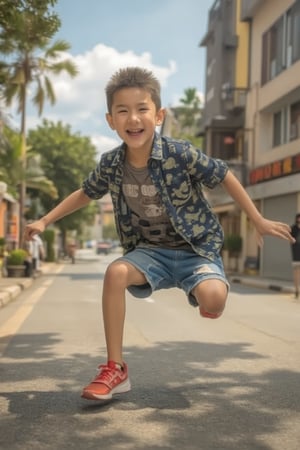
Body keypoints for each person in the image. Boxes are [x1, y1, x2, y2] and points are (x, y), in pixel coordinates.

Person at [24, 67, 294, 402]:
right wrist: (45, 221)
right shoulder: (111, 164)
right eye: (123, 111)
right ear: (111, 120)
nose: (133, 118)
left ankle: (207, 294)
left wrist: (257, 219)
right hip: (149, 252)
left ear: (159, 115)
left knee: (213, 299)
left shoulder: (180, 154)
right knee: (115, 272)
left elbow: (223, 174)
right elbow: (85, 192)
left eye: (142, 109)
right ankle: (115, 368)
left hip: (195, 250)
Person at [290, 213, 300, 298]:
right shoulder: (293, 228)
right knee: (296, 273)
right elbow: (291, 240)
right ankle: (296, 290)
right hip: (296, 255)